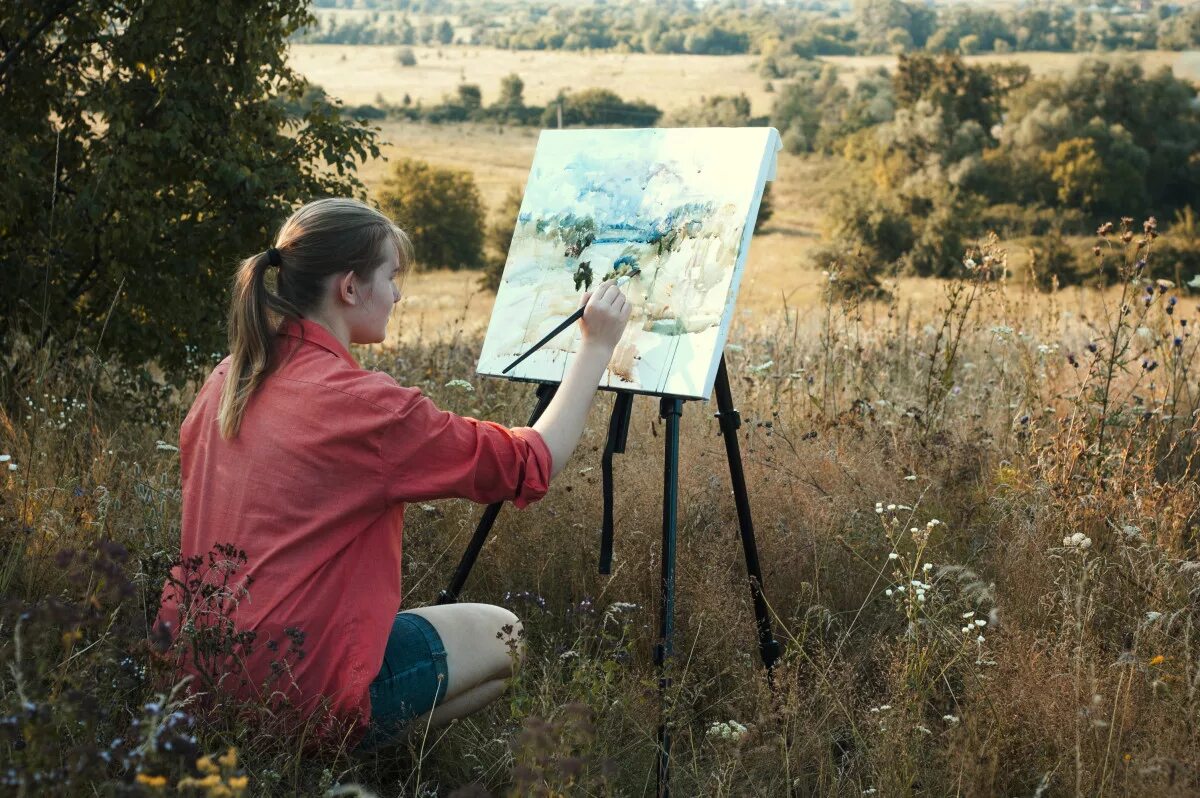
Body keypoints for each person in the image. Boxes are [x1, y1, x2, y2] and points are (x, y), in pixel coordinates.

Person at [154, 197, 632, 752]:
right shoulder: (365, 408)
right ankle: (332, 754)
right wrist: (596, 345)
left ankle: (305, 755)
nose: (398, 294)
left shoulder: (227, 378)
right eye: (391, 276)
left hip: (194, 674)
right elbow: (531, 462)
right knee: (507, 638)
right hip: (298, 686)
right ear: (350, 288)